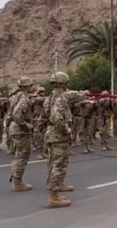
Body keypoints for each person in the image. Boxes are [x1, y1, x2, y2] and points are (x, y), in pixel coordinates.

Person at [45, 72, 79, 208]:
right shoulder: (60, 98)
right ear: (63, 83)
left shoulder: (51, 97)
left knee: (57, 163)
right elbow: (56, 117)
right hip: (58, 135)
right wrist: (66, 128)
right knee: (57, 165)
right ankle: (54, 196)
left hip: (54, 134)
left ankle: (58, 185)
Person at [9, 76, 34, 192]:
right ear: (26, 86)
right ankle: (18, 182)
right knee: (22, 155)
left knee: (19, 154)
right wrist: (25, 124)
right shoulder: (23, 98)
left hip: (15, 129)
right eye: (31, 85)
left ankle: (16, 179)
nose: (32, 88)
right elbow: (16, 114)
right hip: (20, 129)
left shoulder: (16, 96)